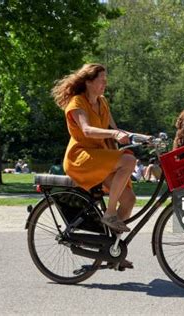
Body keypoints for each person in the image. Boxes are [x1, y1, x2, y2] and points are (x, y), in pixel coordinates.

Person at [52, 63, 151, 239]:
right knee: (129, 160)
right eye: (101, 80)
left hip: (100, 156)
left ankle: (112, 250)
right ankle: (110, 213)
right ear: (88, 82)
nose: (105, 83)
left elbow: (115, 128)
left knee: (129, 200)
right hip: (81, 157)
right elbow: (87, 130)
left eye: (106, 79)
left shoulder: (102, 102)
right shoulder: (77, 102)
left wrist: (144, 138)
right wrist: (114, 133)